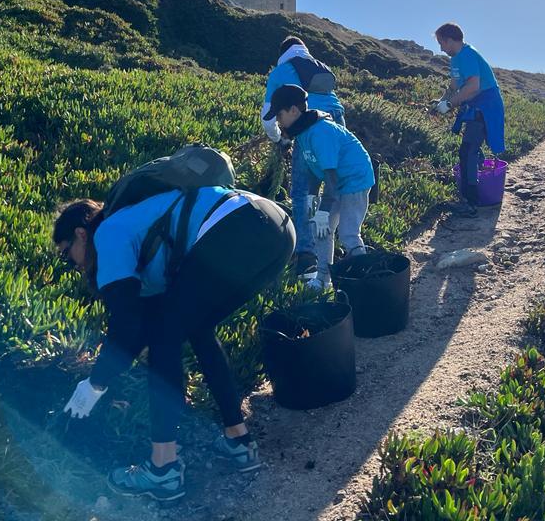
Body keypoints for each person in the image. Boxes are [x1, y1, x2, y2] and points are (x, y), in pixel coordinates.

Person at [53, 185, 295, 501]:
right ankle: (238, 440)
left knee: (164, 336)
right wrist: (98, 381)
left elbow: (127, 325)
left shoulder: (108, 234)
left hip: (236, 224)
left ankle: (163, 468)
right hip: (277, 228)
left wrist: (95, 383)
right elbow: (137, 328)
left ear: (81, 234)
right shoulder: (133, 230)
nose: (73, 265)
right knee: (197, 328)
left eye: (66, 253)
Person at [265, 84, 373, 286]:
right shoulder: (303, 134)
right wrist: (311, 197)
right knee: (321, 230)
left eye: (279, 115)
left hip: (354, 180)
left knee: (348, 233)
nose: (278, 122)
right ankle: (323, 279)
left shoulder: (320, 133)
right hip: (338, 181)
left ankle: (365, 281)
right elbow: (315, 169)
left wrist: (323, 210)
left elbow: (331, 178)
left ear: (293, 110)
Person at [260, 36, 345, 283]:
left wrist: (280, 139)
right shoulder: (319, 66)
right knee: (332, 183)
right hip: (337, 121)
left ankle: (307, 256)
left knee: (302, 191)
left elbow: (268, 117)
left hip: (309, 125)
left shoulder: (281, 71)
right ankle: (334, 243)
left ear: (283, 52)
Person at [433, 22, 506, 217]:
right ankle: (476, 189)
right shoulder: (456, 59)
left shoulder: (468, 55)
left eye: (441, 43)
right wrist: (442, 101)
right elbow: (454, 85)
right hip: (475, 106)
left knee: (467, 152)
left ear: (450, 40)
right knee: (471, 150)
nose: (441, 48)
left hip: (486, 106)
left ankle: (471, 203)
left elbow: (473, 86)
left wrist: (450, 105)